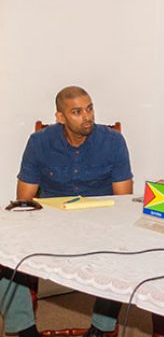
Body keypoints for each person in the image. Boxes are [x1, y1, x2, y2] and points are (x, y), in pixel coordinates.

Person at [1, 86, 133, 337]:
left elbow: (124, 200)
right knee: (5, 254)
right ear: (60, 117)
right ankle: (25, 329)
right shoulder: (39, 142)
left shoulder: (113, 141)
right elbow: (24, 200)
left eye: (90, 108)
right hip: (51, 225)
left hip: (99, 225)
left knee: (125, 253)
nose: (87, 117)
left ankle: (100, 329)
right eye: (77, 112)